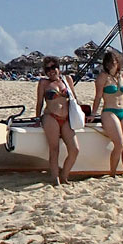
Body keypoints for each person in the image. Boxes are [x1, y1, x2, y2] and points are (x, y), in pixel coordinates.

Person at [35, 56, 79, 185]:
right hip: (51, 117)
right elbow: (39, 102)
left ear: (59, 68)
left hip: (66, 118)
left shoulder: (67, 80)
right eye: (47, 69)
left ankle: (64, 175)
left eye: (53, 67)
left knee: (75, 149)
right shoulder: (43, 83)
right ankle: (55, 179)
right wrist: (37, 118)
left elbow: (74, 99)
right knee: (54, 149)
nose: (51, 71)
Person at [93, 49, 123, 176]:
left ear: (118, 62)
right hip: (109, 111)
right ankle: (113, 173)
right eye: (108, 62)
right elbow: (98, 97)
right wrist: (93, 113)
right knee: (119, 144)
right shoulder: (103, 77)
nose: (111, 65)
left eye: (113, 62)